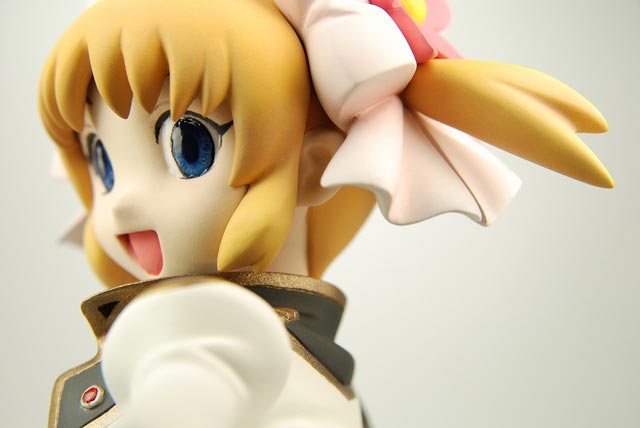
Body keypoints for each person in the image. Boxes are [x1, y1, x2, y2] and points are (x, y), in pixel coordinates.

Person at [39, 0, 612, 427]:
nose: (123, 200)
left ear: (313, 167)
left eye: (188, 145)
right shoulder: (299, 359)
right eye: (102, 161)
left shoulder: (214, 347)